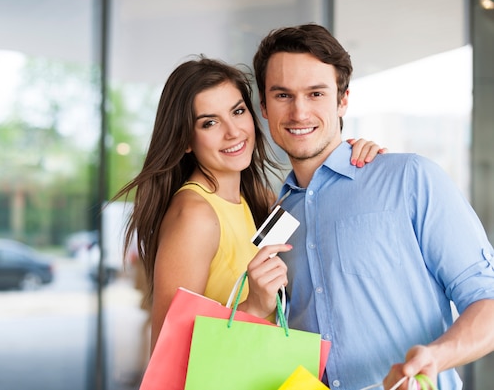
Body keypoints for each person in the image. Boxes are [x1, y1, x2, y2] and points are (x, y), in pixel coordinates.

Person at [252, 23, 494, 390]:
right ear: (264, 107)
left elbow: (487, 298)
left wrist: (436, 357)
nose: (299, 112)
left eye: (316, 93)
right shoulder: (277, 214)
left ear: (343, 99)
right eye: (283, 95)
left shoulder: (410, 179)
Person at [113, 55, 384, 352]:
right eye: (209, 122)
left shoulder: (258, 199)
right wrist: (253, 306)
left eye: (238, 111)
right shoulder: (196, 214)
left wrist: (351, 156)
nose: (233, 132)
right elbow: (167, 349)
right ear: (186, 140)